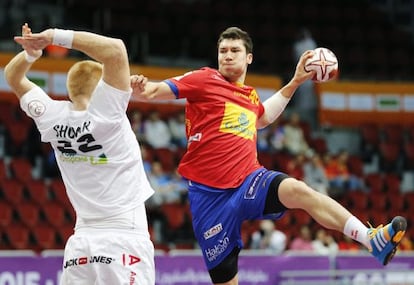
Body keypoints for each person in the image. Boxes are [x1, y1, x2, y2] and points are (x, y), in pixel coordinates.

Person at [130, 27, 407, 285]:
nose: (227, 55)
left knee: (299, 190)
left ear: (248, 57)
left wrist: (297, 81)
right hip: (209, 199)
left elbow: (261, 117)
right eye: (223, 51)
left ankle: (372, 240)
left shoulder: (249, 97)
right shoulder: (204, 79)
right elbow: (155, 90)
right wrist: (142, 87)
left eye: (234, 50)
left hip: (249, 180)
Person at [4, 24, 155, 284]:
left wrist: (30, 55)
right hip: (124, 239)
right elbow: (116, 50)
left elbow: (13, 77)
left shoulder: (51, 118)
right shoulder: (107, 113)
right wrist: (53, 37)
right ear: (102, 91)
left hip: (81, 244)